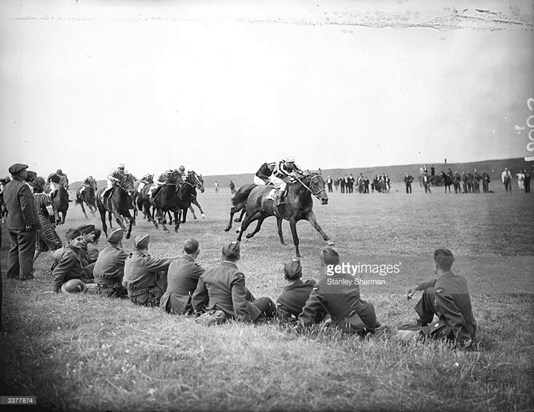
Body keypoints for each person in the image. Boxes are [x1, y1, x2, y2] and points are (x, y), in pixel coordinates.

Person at [298, 247, 379, 336]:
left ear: (322, 264)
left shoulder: (321, 286)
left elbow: (309, 310)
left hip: (351, 324)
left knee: (330, 327)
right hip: (368, 315)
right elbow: (349, 303)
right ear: (338, 262)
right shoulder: (351, 278)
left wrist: (299, 328)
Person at [406, 249, 476, 350]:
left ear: (435, 264)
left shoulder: (440, 290)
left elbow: (455, 318)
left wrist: (465, 345)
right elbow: (437, 281)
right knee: (428, 291)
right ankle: (422, 324)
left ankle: (422, 330)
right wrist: (418, 287)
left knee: (409, 333)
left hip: (456, 332)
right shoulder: (460, 279)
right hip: (470, 326)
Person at [191, 241, 276, 323]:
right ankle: (280, 320)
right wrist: (245, 321)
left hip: (215, 311)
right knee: (266, 301)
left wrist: (199, 313)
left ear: (221, 256)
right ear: (238, 257)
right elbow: (239, 302)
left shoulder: (208, 272)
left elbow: (197, 298)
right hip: (231, 313)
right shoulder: (236, 275)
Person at [4, 163, 41, 281]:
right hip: (23, 225)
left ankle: (12, 274)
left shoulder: (7, 186)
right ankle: (26, 275)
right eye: (25, 171)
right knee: (26, 250)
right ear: (20, 173)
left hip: (11, 223)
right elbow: (26, 207)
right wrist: (29, 223)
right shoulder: (23, 187)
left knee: (14, 249)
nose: (26, 173)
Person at [122, 233, 175, 306]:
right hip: (145, 298)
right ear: (146, 247)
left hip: (132, 296)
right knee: (165, 272)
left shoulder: (129, 258)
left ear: (134, 247)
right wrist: (184, 258)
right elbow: (166, 263)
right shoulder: (145, 261)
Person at [160, 238, 205, 314]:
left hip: (166, 303)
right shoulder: (193, 267)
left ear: (183, 250)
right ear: (198, 251)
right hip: (183, 306)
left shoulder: (173, 262)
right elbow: (210, 276)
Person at [276, 259, 325, 323]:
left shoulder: (283, 299)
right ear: (301, 274)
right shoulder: (312, 285)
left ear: (285, 277)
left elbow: (284, 322)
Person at [51, 228, 96, 293]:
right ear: (70, 241)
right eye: (78, 239)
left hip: (81, 274)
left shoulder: (74, 249)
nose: (81, 242)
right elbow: (58, 272)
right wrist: (54, 290)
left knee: (98, 263)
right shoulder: (71, 255)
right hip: (77, 280)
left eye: (81, 239)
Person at [32, 177, 62, 263]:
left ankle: (29, 266)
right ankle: (60, 266)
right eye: (45, 184)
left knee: (39, 247)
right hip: (43, 222)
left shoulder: (32, 196)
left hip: (35, 222)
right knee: (53, 243)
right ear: (42, 186)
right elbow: (51, 213)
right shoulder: (44, 197)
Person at [92, 228, 128, 298]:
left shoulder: (103, 251)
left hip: (99, 287)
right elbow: (135, 261)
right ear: (120, 242)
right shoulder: (119, 254)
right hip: (111, 290)